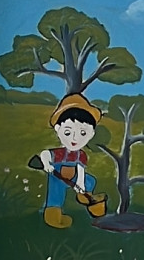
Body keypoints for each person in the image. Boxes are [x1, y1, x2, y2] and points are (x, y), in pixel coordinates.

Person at [31, 95, 107, 227]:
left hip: (74, 176)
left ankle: (84, 196)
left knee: (90, 181)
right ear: (57, 129)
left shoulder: (81, 155)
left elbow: (81, 170)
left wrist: (80, 183)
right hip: (57, 175)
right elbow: (45, 154)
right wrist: (47, 164)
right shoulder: (60, 153)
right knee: (55, 193)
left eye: (83, 133)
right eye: (67, 133)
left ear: (91, 134)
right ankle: (53, 215)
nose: (74, 139)